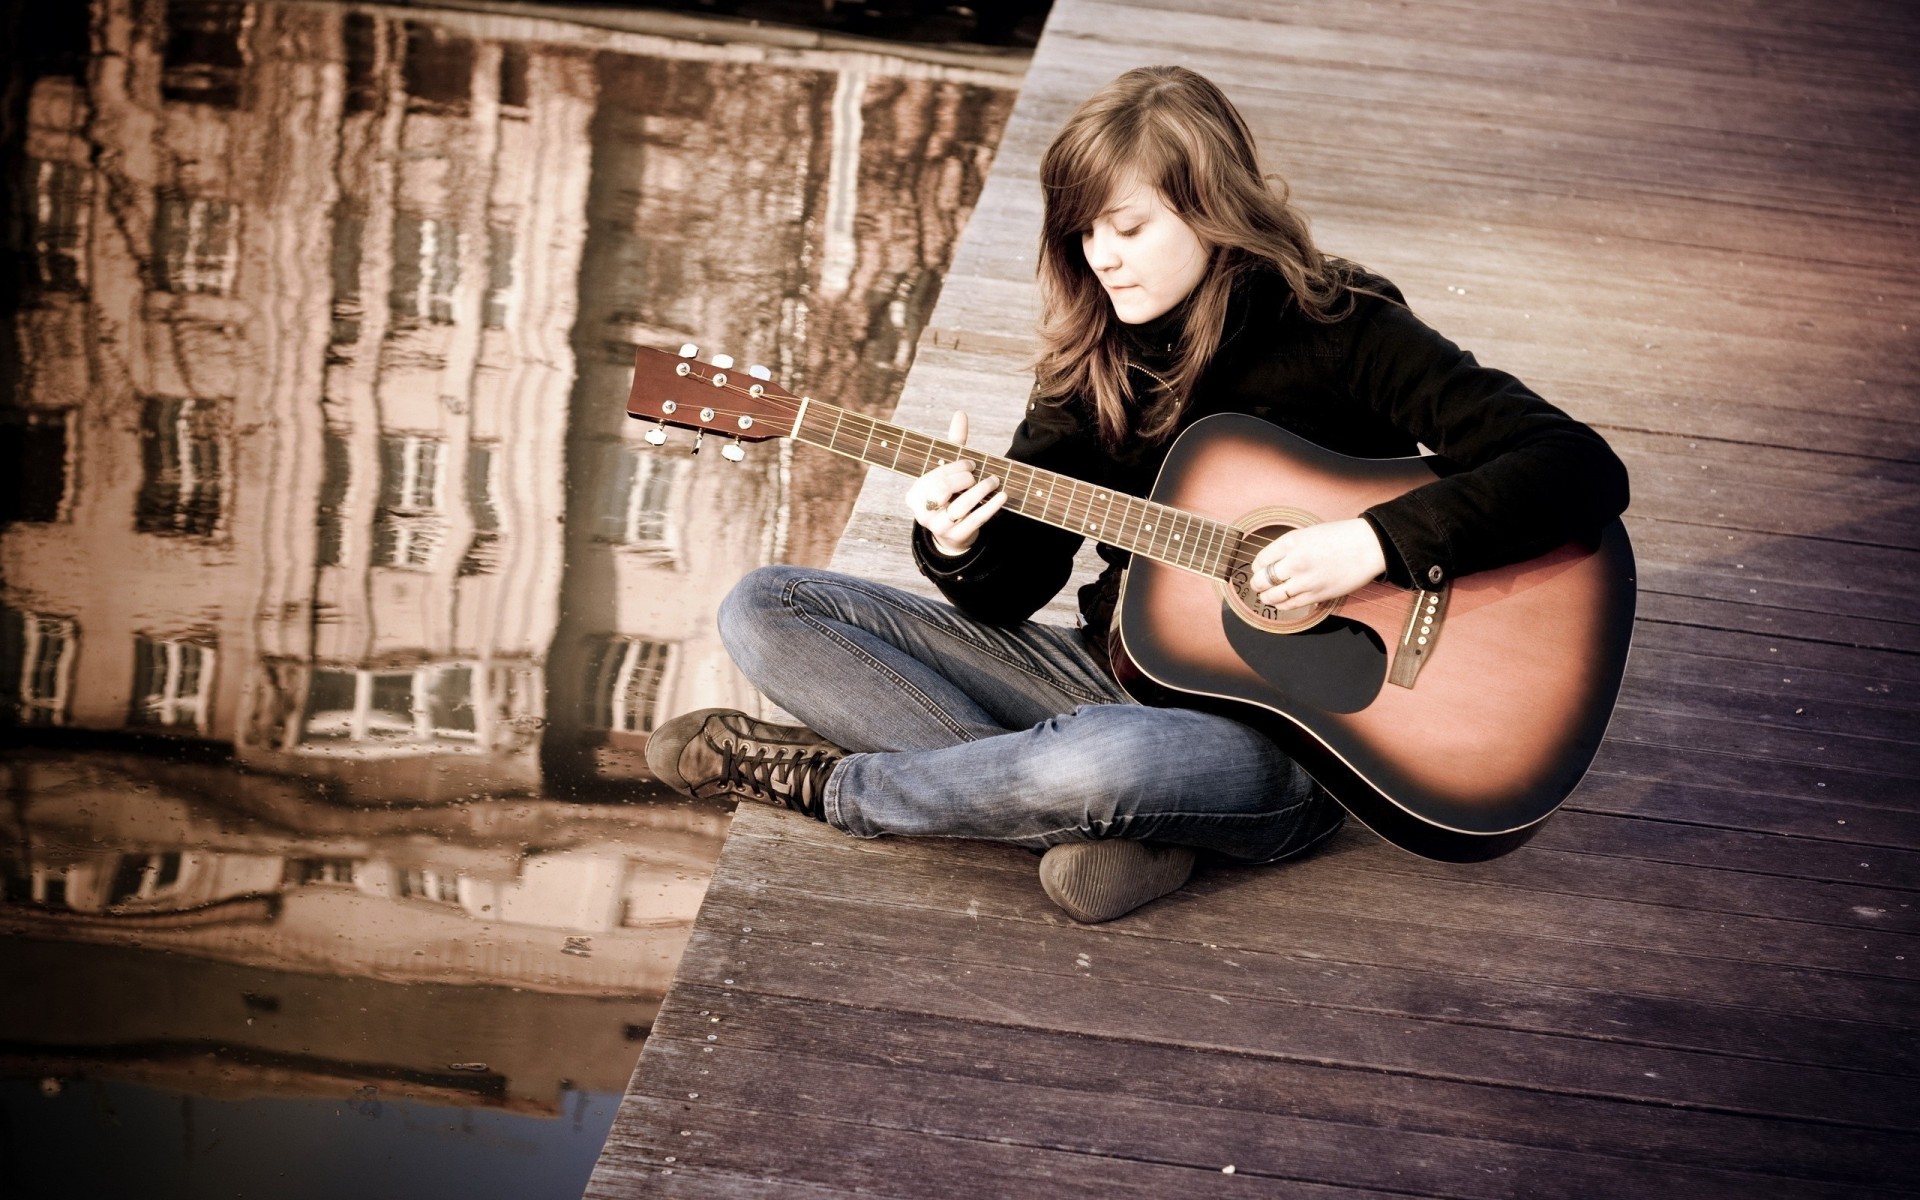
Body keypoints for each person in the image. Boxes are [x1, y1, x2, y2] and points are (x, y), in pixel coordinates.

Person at [646, 66, 1629, 922]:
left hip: (1299, 748)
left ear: (1210, 208)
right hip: (1109, 679)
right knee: (765, 609)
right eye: (1081, 236)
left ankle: (851, 790)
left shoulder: (1340, 323)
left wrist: (1370, 546)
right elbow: (1009, 591)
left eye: (1125, 227)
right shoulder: (1094, 364)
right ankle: (1092, 820)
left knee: (1104, 762)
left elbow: (1575, 465)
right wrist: (958, 542)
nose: (1099, 259)